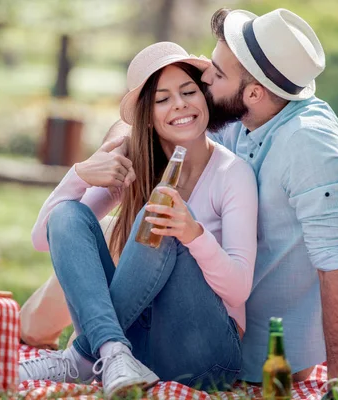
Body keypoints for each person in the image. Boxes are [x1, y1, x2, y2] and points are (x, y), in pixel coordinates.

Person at [100, 7, 338, 387]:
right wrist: (112, 148)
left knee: (153, 225)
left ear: (254, 92)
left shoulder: (312, 148)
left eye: (217, 73)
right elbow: (150, 116)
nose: (205, 76)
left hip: (263, 358)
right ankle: (76, 344)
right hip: (203, 315)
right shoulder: (245, 118)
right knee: (96, 225)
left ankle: (88, 350)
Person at [20, 42, 258, 399]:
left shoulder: (232, 173)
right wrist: (80, 174)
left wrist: (193, 234)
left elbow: (240, 288)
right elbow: (46, 236)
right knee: (69, 213)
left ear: (204, 99)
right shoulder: (136, 165)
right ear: (148, 114)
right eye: (162, 99)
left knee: (158, 214)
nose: (179, 104)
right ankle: (111, 350)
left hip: (207, 357)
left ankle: (83, 355)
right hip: (136, 353)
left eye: (189, 91)